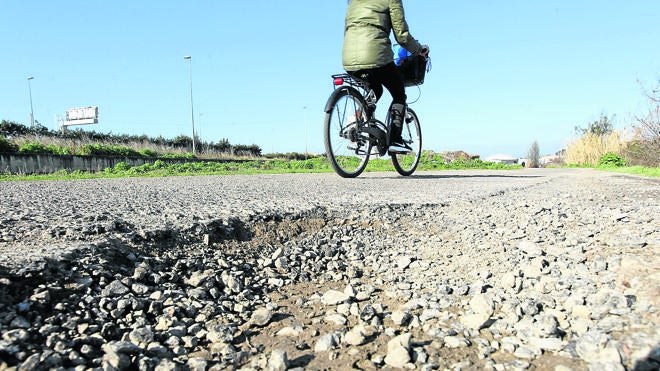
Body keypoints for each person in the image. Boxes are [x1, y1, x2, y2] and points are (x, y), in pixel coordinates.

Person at [342, 0, 429, 153]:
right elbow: (401, 36)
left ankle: (360, 122)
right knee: (398, 93)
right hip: (376, 56)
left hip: (348, 59)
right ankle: (395, 140)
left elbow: (348, 30)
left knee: (376, 89)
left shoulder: (353, 2)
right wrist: (418, 50)